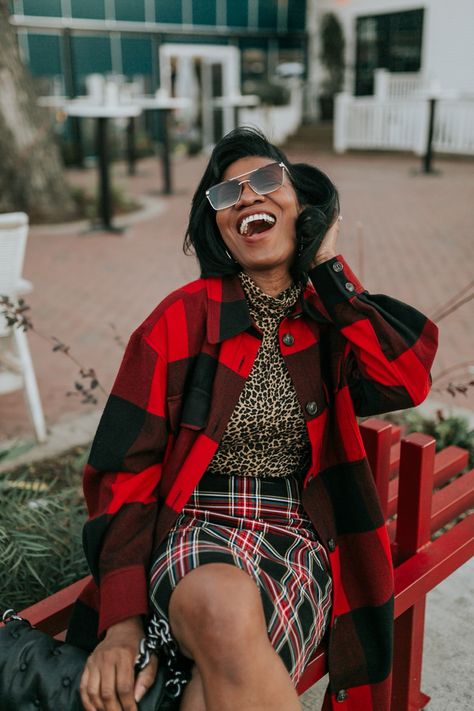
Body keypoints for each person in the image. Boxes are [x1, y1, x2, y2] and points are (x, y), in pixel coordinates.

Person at [67, 126, 439, 711]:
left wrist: (328, 269)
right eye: (226, 193)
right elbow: (123, 474)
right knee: (222, 608)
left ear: (304, 207)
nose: (247, 197)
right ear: (216, 226)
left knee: (218, 680)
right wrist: (122, 621)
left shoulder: (331, 319)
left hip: (296, 536)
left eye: (268, 180)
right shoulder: (179, 320)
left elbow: (406, 378)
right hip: (195, 525)